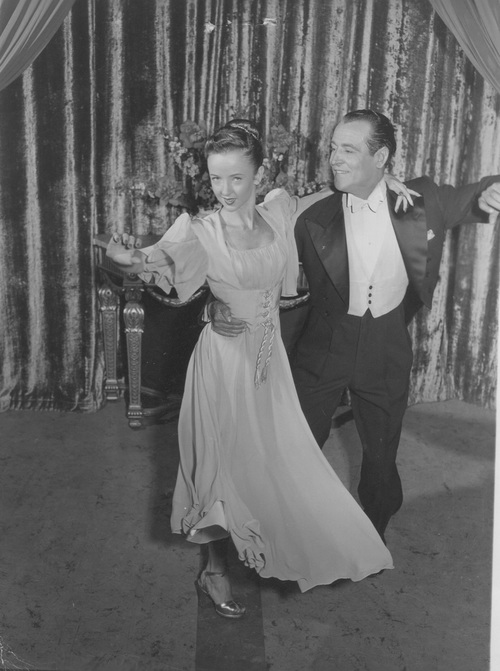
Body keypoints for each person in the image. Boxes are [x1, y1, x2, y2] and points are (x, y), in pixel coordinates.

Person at [106, 119, 399, 620]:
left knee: (273, 463)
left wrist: (389, 181)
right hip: (223, 364)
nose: (223, 190)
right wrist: (125, 260)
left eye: (236, 178)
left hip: (271, 366)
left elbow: (343, 186)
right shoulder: (199, 230)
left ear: (259, 174)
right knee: (220, 472)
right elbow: (152, 262)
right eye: (215, 178)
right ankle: (214, 570)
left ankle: (276, 545)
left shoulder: (280, 211)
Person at [211, 109, 500, 544]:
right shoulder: (313, 215)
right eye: (333, 149)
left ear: (381, 156)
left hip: (386, 343)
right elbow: (251, 258)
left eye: (348, 150)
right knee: (295, 444)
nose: (334, 159)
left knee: (381, 453)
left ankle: (374, 528)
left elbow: (473, 196)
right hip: (325, 344)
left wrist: (491, 190)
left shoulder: (420, 202)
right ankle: (284, 527)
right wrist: (219, 303)